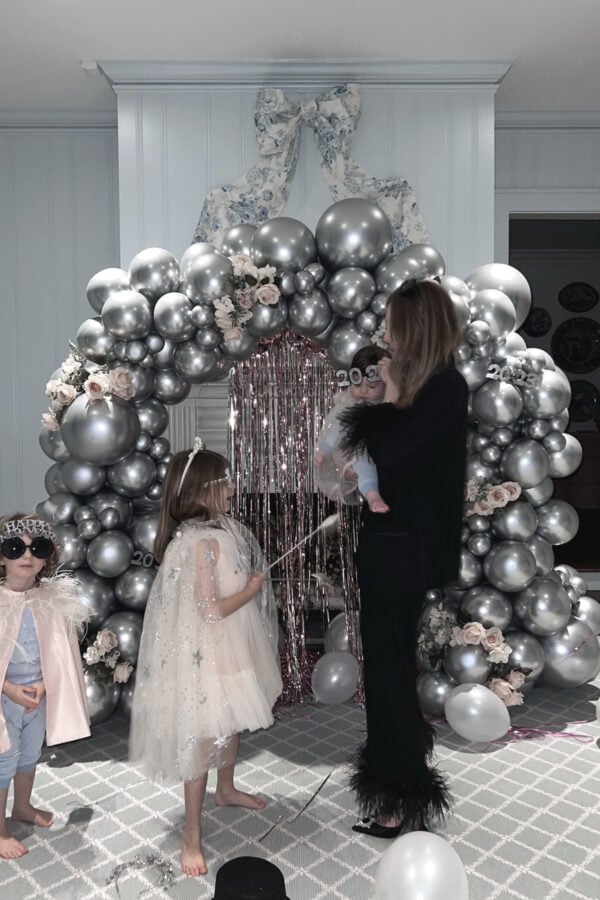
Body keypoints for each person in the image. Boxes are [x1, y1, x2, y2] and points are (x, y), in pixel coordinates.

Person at [340, 278, 468, 837]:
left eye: (392, 322)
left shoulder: (442, 388)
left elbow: (389, 450)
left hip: (404, 554)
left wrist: (384, 395)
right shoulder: (429, 387)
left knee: (389, 675)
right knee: (386, 670)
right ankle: (394, 782)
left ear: (413, 326)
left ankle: (404, 796)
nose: (384, 332)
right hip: (392, 549)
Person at [129, 441, 282, 877]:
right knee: (201, 736)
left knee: (230, 719)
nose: (232, 488)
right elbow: (208, 609)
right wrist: (252, 591)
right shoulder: (200, 544)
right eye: (225, 482)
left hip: (227, 648)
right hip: (205, 655)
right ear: (202, 491)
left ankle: (226, 788)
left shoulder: (220, 531)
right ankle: (191, 834)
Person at [0, 514, 90, 859]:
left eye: (37, 548)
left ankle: (22, 806)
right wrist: (8, 689)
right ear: (1, 556)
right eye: (15, 548)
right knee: (3, 760)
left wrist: (42, 683)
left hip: (37, 694)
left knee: (29, 755)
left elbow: (61, 653)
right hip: (5, 696)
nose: (27, 556)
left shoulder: (51, 600)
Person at [314, 346, 391, 513]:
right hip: (354, 454)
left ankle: (373, 493)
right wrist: (324, 451)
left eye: (371, 387)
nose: (363, 391)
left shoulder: (388, 404)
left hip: (384, 459)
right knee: (362, 462)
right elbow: (334, 429)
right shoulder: (349, 403)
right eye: (358, 385)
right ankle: (372, 495)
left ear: (385, 384)